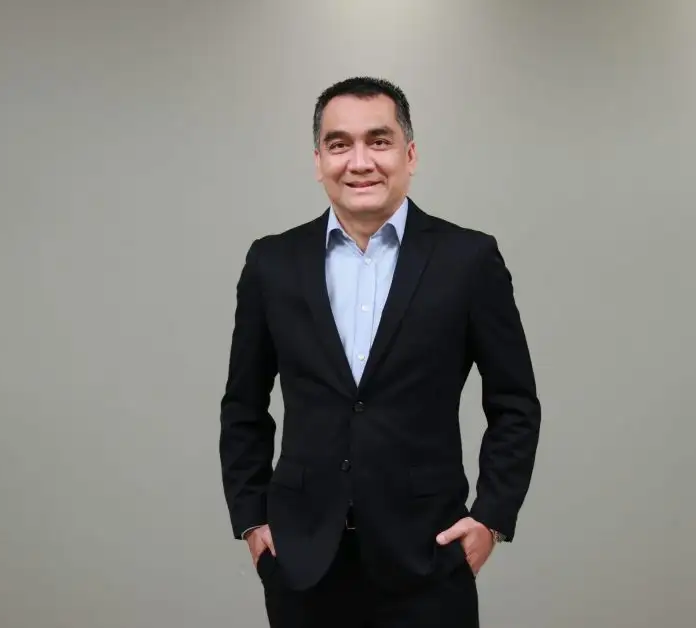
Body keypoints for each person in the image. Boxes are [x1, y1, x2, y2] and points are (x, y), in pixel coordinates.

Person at [219, 76, 541, 628]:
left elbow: (515, 405)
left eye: (379, 141)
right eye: (339, 144)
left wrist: (491, 518)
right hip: (302, 562)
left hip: (429, 558)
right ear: (318, 161)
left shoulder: (468, 260)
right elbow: (243, 406)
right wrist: (251, 521)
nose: (359, 161)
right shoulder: (272, 263)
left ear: (409, 154)